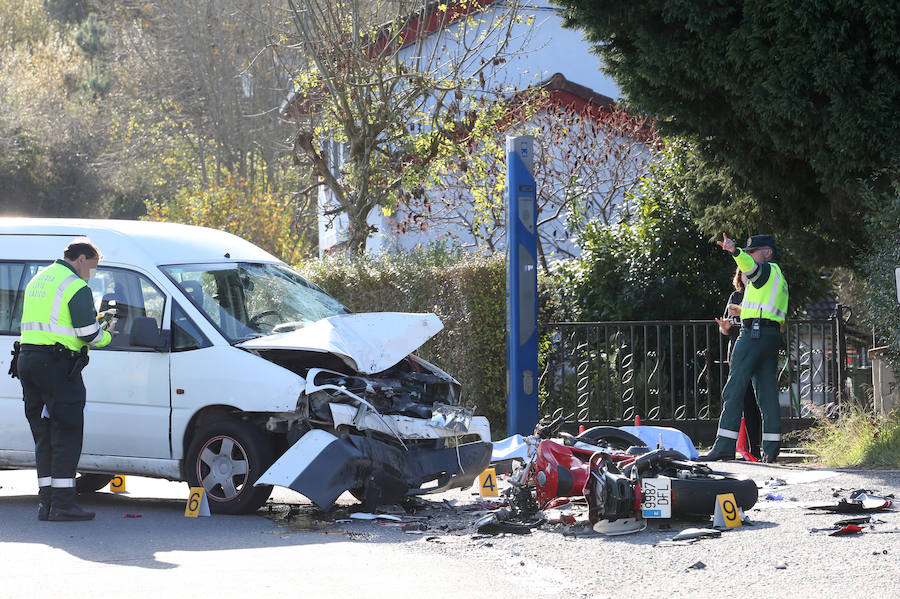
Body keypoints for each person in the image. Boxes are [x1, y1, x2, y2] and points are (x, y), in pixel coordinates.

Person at [15, 238, 113, 521]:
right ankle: (63, 505)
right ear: (81, 258)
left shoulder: (39, 278)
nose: (91, 275)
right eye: (92, 268)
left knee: (43, 435)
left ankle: (46, 503)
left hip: (28, 361)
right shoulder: (74, 285)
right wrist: (106, 333)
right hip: (57, 365)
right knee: (67, 432)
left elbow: (52, 321)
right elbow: (87, 333)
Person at [702, 234, 788, 463]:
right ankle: (770, 451)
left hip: (754, 334)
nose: (749, 256)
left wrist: (735, 251)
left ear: (768, 252)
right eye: (747, 252)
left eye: (753, 251)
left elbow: (750, 267)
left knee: (734, 389)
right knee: (768, 394)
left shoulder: (766, 271)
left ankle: (724, 448)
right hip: (770, 336)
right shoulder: (778, 276)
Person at [714, 267, 762, 460]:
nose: (746, 276)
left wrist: (743, 313)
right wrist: (724, 328)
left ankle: (757, 449)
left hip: (755, 353)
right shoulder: (735, 296)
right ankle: (735, 449)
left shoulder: (760, 294)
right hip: (736, 353)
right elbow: (727, 328)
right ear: (739, 276)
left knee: (756, 402)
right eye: (743, 272)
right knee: (740, 401)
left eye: (749, 272)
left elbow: (759, 322)